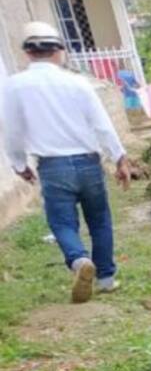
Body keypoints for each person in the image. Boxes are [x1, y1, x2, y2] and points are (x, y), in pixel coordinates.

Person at [3, 21, 131, 303]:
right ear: (59, 51)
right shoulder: (77, 83)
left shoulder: (14, 87)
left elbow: (11, 131)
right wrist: (120, 158)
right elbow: (103, 125)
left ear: (27, 52)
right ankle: (106, 279)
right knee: (99, 220)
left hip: (53, 167)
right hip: (88, 163)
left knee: (62, 223)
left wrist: (19, 165)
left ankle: (78, 260)